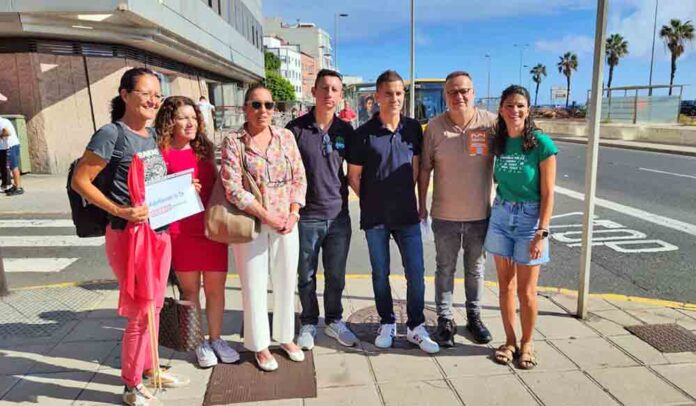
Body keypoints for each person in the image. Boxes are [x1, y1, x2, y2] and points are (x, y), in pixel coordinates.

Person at [71, 67, 189, 406]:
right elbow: (81, 181)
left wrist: (181, 191)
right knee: (140, 311)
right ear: (125, 95)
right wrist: (120, 211)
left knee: (153, 306)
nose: (153, 100)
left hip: (157, 233)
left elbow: (152, 185)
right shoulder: (111, 134)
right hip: (129, 236)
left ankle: (150, 369)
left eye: (157, 94)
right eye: (146, 93)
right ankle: (131, 384)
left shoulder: (150, 136)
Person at [347, 70, 439, 354]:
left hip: (407, 216)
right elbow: (354, 177)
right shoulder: (362, 135)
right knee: (380, 273)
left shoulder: (413, 129)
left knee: (416, 271)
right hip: (375, 218)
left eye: (399, 93)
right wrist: (374, 198)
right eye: (389, 93)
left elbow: (415, 167)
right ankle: (386, 322)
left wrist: (410, 199)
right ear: (377, 97)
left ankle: (415, 327)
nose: (395, 98)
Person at [220, 84, 307, 372]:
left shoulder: (285, 137)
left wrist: (293, 213)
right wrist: (267, 216)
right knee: (254, 285)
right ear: (245, 108)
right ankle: (259, 345)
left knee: (285, 281)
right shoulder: (234, 141)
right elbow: (232, 188)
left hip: (287, 222)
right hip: (252, 223)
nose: (263, 111)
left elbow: (299, 177)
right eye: (256, 105)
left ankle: (285, 337)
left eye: (269, 105)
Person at [155, 96, 239, 369]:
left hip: (211, 229)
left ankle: (216, 339)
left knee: (216, 289)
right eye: (183, 117)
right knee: (190, 293)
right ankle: (199, 341)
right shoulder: (160, 152)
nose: (190, 123)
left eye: (193, 117)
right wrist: (179, 187)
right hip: (181, 232)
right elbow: (153, 195)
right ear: (170, 121)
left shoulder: (204, 148)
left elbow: (217, 183)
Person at [418, 71, 496, 347]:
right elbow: (425, 170)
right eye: (453, 92)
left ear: (473, 93)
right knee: (444, 269)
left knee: (476, 269)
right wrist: (422, 206)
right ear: (445, 96)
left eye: (464, 91)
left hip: (480, 215)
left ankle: (474, 317)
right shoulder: (435, 128)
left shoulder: (490, 124)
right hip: (445, 215)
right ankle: (445, 319)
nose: (459, 96)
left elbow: (508, 160)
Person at [485, 85, 557, 370]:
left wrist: (542, 231)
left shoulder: (541, 143)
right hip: (501, 216)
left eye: (520, 106)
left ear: (528, 110)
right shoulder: (499, 142)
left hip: (529, 220)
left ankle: (528, 342)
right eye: (509, 105)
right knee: (505, 287)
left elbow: (549, 192)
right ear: (501, 109)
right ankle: (510, 340)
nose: (514, 111)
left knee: (527, 291)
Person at [286, 69, 358, 350]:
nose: (329, 94)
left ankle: (334, 320)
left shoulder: (346, 131)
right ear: (314, 91)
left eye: (335, 90)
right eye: (324, 88)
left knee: (336, 275)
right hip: (306, 217)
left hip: (339, 215)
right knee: (305, 275)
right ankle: (307, 322)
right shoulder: (295, 129)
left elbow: (355, 175)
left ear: (340, 96)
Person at [0, 116, 23, 195]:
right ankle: (14, 185)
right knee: (9, 166)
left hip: (11, 146)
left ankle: (18, 188)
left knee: (14, 166)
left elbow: (7, 132)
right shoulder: (3, 121)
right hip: (9, 146)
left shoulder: (1, 122)